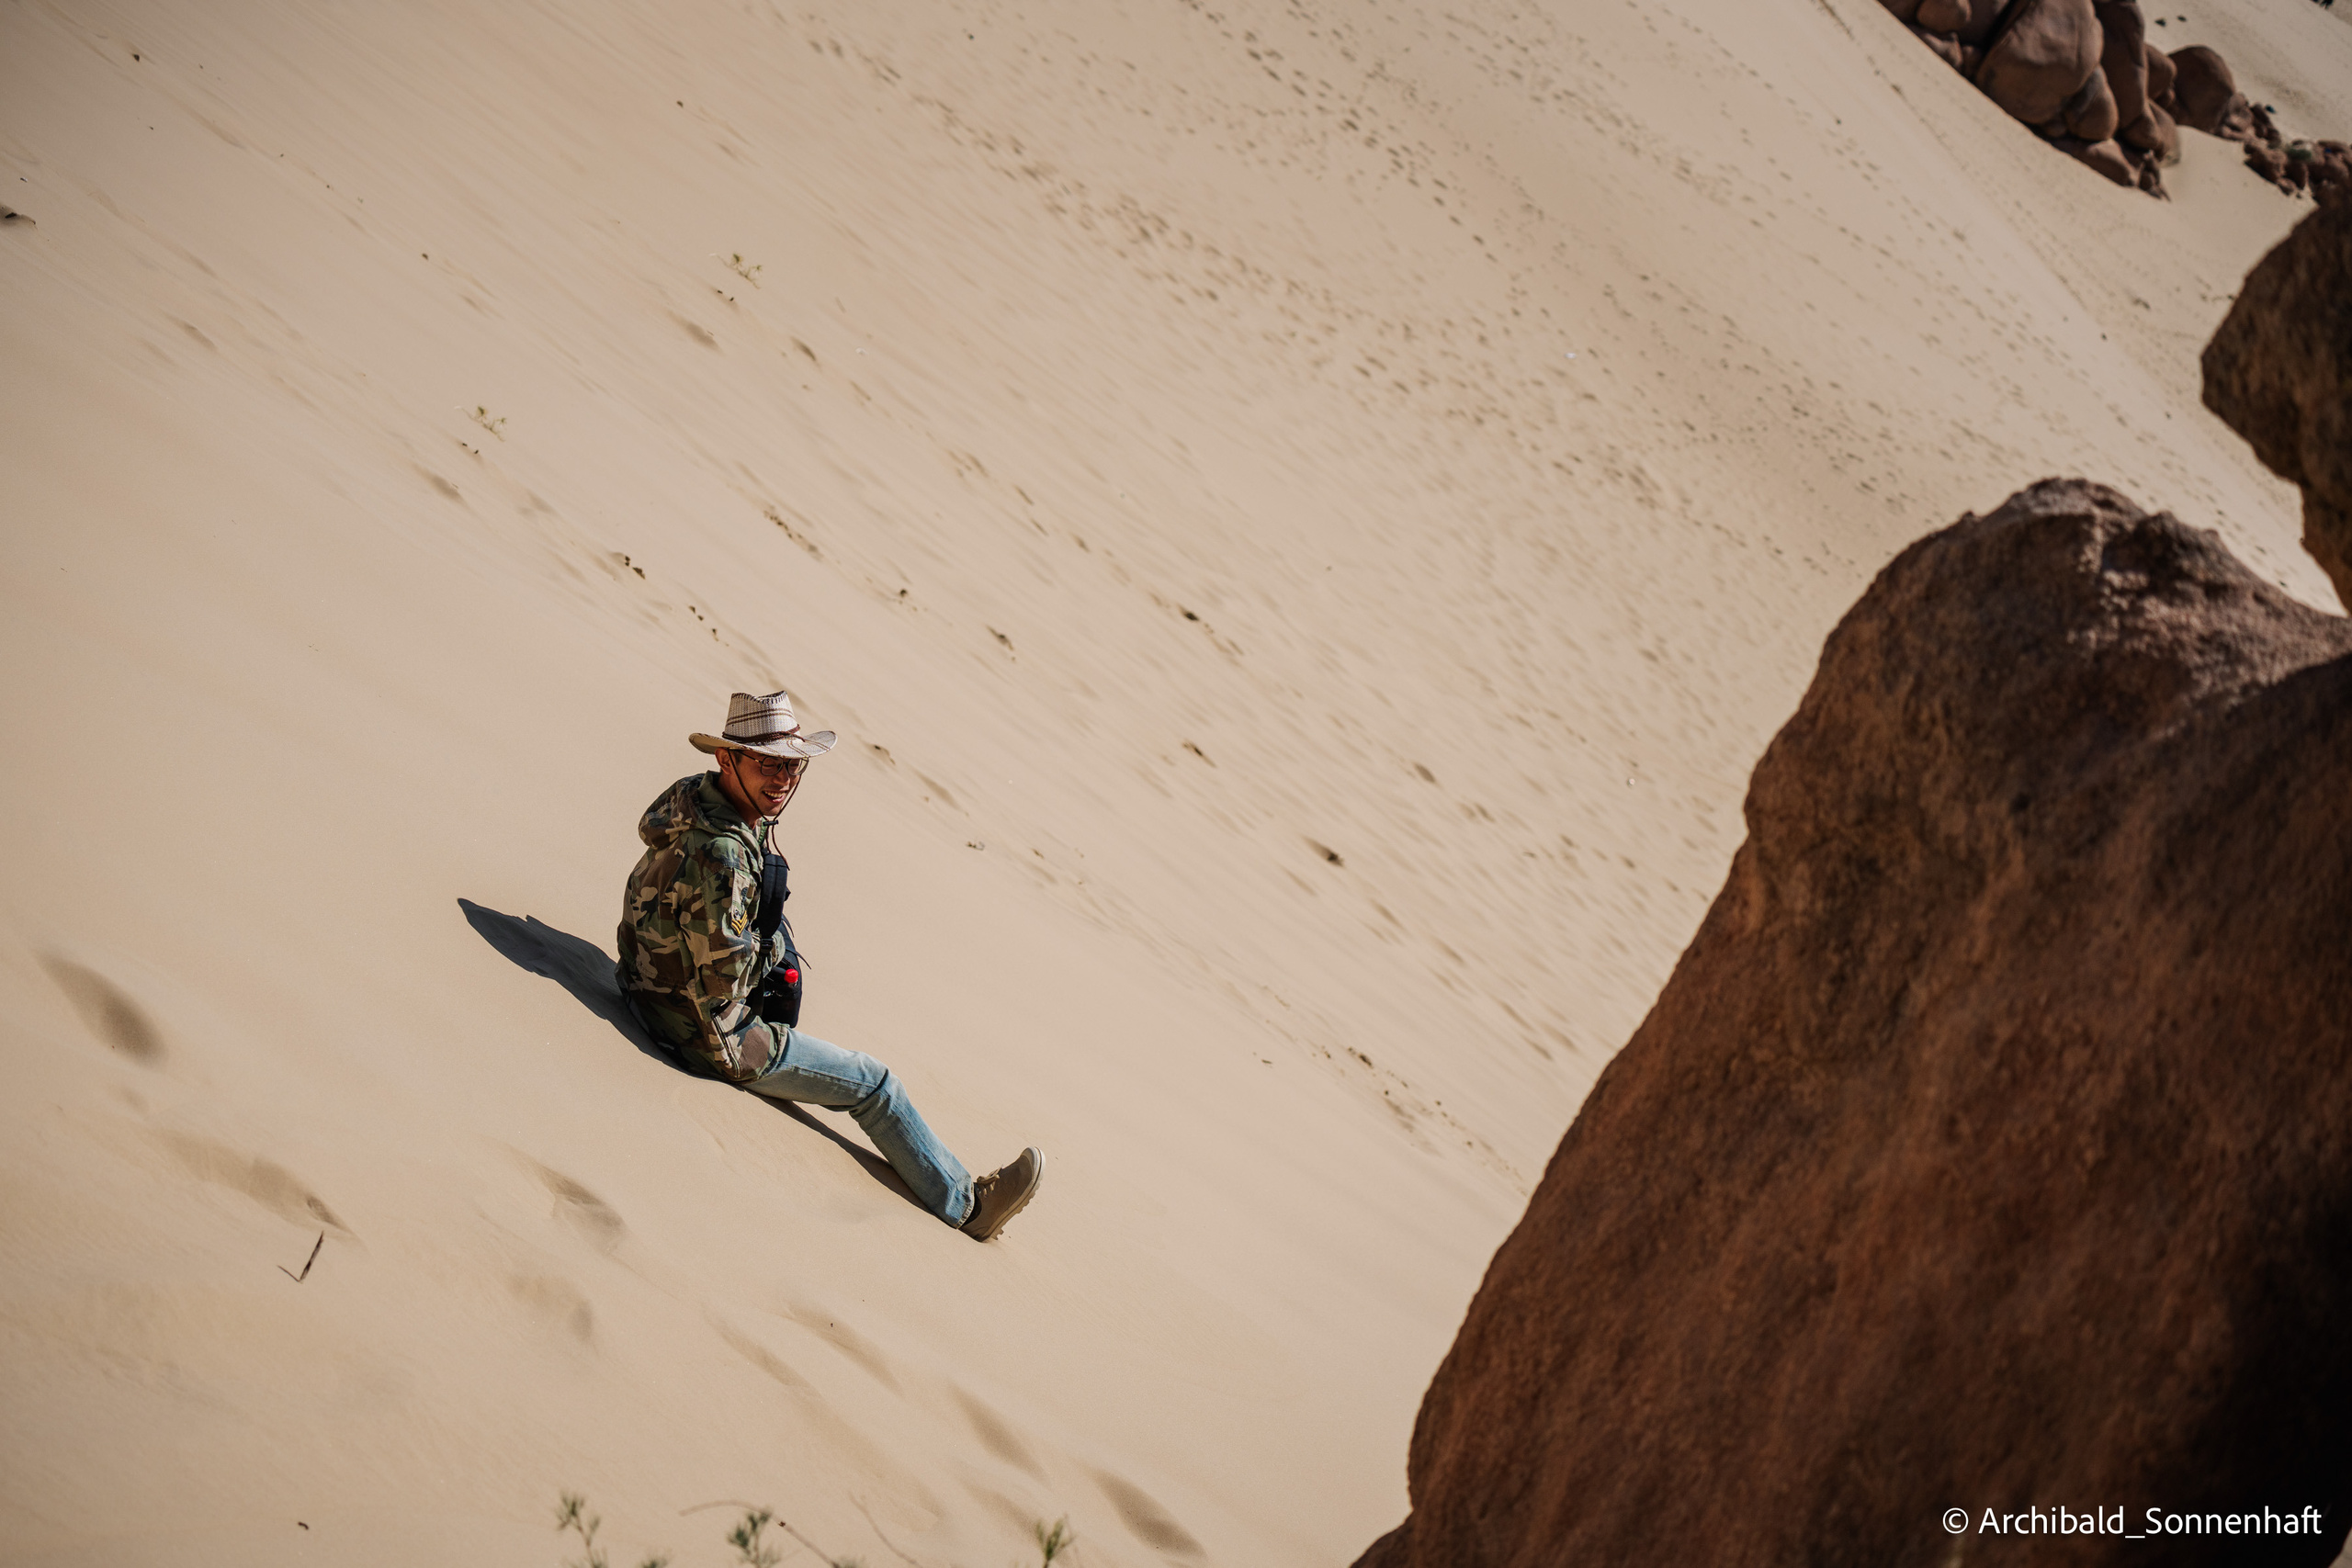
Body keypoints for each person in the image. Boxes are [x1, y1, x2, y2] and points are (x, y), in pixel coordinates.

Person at [617, 690, 1044, 1241]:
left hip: (641, 990)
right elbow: (725, 980)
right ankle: (968, 1207)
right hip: (706, 1037)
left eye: (793, 766)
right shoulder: (725, 854)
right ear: (726, 758)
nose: (783, 779)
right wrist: (771, 945)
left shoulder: (689, 802)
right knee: (876, 1085)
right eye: (768, 764)